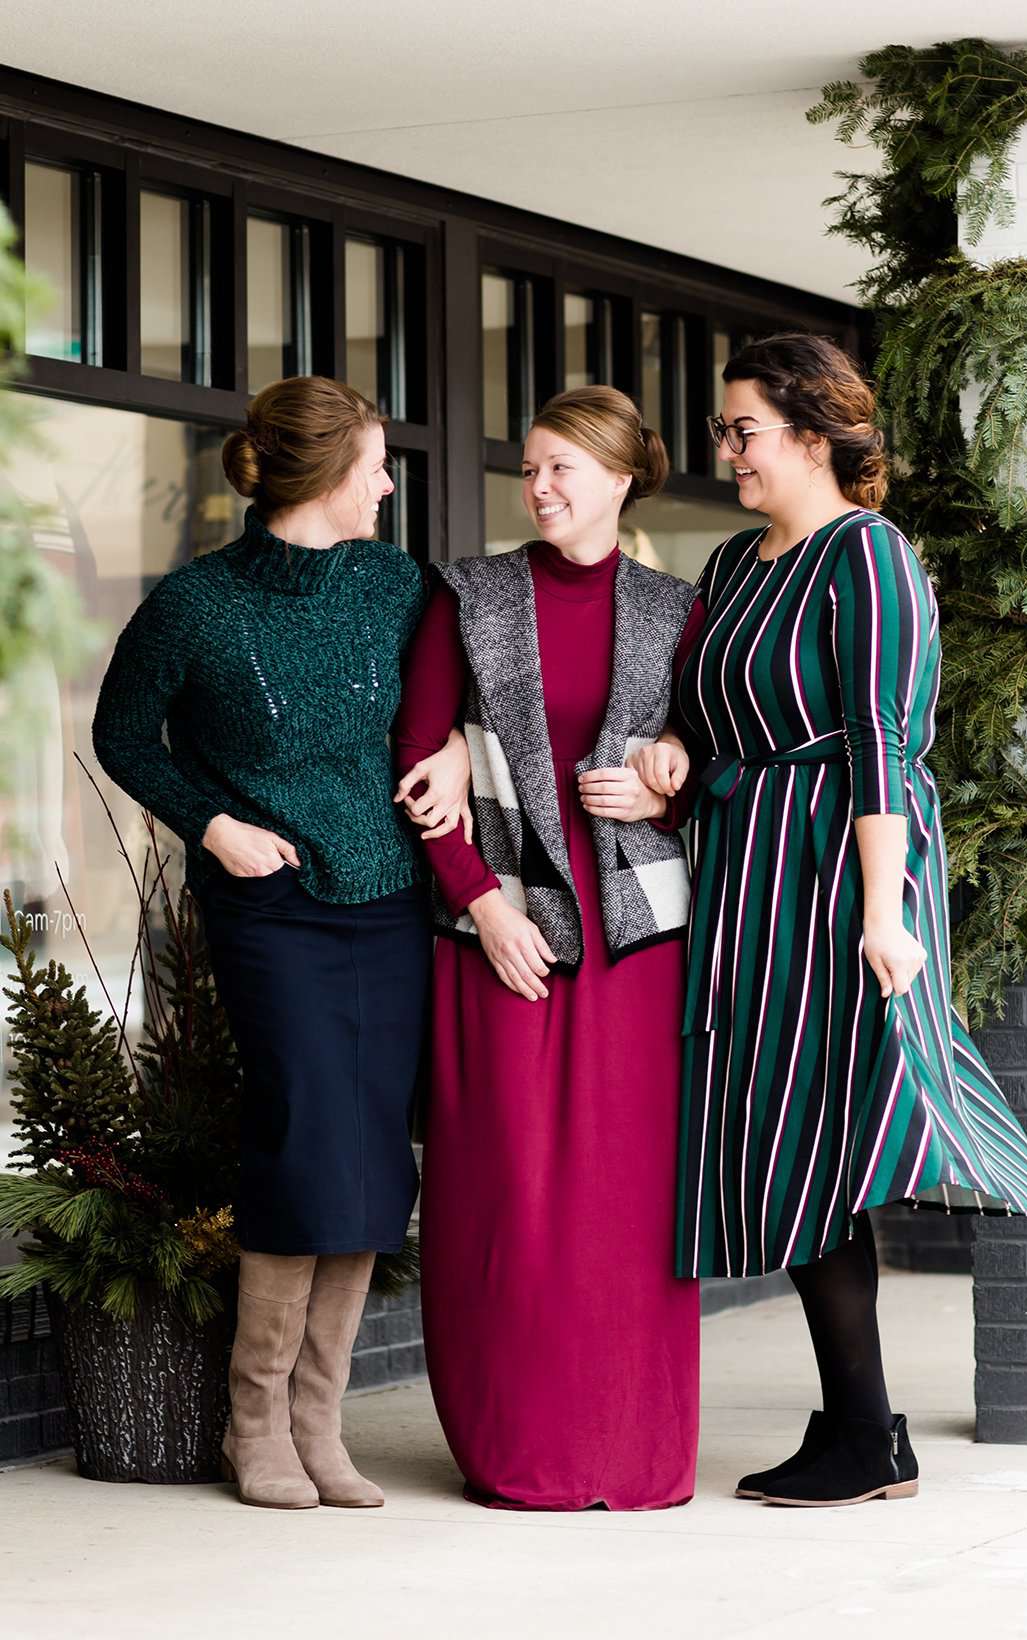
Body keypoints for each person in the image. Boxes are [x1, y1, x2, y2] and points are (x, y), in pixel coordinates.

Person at [635, 333, 1027, 1509]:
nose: (726, 450)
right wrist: (675, 750)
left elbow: (881, 738)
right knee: (776, 1132)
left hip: (838, 867)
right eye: (724, 430)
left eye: (744, 430)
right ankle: (864, 1426)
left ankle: (865, 1429)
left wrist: (886, 912)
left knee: (821, 1132)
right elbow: (703, 712)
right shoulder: (731, 562)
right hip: (744, 865)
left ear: (813, 435)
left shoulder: (867, 556)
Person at [92, 376, 467, 1511]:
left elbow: (451, 703)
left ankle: (321, 1417)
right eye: (378, 463)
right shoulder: (195, 606)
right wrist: (212, 821)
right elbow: (121, 733)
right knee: (303, 1128)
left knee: (369, 1147)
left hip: (389, 897)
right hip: (272, 905)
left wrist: (450, 753)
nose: (391, 482)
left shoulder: (399, 584)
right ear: (327, 477)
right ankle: (253, 1418)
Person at [394, 385, 704, 1511]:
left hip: (635, 950)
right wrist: (482, 904)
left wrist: (667, 779)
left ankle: (636, 1450)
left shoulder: (679, 610)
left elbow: (716, 763)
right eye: (531, 467)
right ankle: (519, 1448)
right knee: (510, 1202)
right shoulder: (469, 596)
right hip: (504, 940)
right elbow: (421, 764)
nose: (542, 487)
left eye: (566, 466)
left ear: (624, 478)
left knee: (628, 1210)